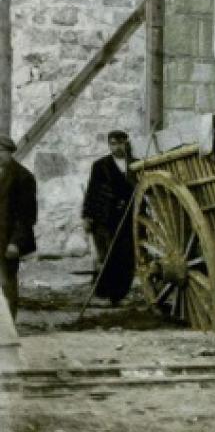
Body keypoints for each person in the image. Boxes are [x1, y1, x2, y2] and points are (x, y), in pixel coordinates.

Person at [81, 131, 137, 305]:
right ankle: (103, 294)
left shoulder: (135, 164)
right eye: (113, 143)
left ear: (126, 143)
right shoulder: (100, 165)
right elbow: (91, 192)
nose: (116, 147)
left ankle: (119, 295)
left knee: (126, 256)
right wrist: (87, 216)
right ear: (109, 144)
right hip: (105, 217)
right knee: (106, 256)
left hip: (128, 217)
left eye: (120, 143)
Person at [0, 136, 37, 321]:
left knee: (7, 283)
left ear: (10, 152)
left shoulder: (23, 177)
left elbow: (27, 216)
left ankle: (9, 326)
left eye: (1, 151)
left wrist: (15, 243)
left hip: (7, 241)